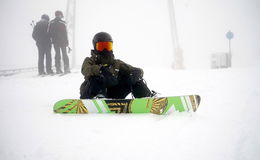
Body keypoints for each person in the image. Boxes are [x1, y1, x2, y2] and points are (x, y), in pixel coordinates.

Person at [80, 32, 156, 99]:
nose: (105, 50)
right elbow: (85, 69)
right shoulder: (90, 60)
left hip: (113, 94)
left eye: (107, 46)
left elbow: (134, 70)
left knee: (131, 77)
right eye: (101, 47)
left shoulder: (117, 63)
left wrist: (137, 72)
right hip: (90, 93)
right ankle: (99, 97)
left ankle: (146, 97)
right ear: (95, 47)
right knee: (96, 78)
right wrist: (100, 70)